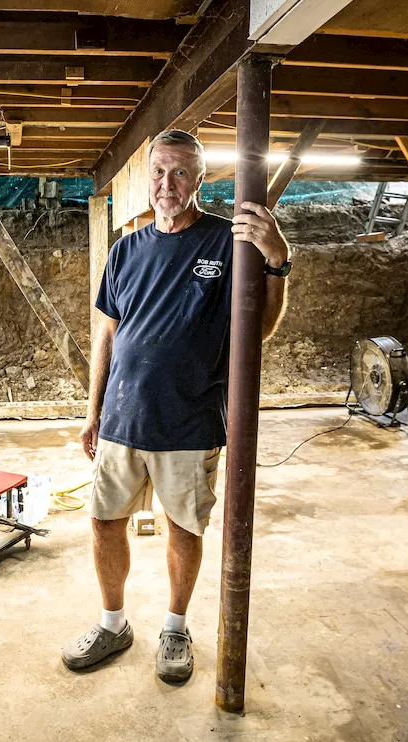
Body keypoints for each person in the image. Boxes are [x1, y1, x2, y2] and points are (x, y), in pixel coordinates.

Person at [62, 129, 291, 683]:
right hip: (123, 417)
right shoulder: (127, 249)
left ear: (201, 178)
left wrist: (278, 261)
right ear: (147, 176)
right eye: (159, 171)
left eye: (181, 172)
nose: (167, 183)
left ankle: (174, 628)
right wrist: (93, 412)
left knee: (183, 528)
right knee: (103, 521)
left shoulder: (225, 243)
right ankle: (113, 624)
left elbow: (257, 328)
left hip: (190, 420)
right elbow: (108, 337)